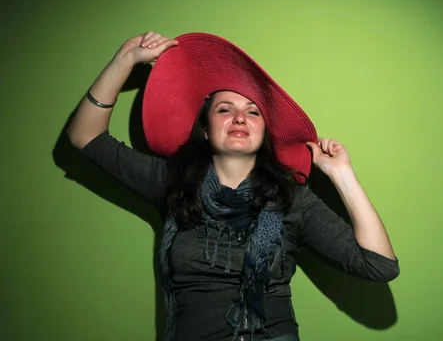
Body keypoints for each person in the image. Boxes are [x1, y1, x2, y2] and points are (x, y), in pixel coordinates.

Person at [67, 31, 399, 341]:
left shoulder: (292, 199)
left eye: (253, 112)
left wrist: (341, 175)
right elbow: (85, 136)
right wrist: (124, 59)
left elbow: (379, 265)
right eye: (225, 109)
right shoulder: (170, 181)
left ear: (263, 134)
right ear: (206, 130)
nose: (240, 118)